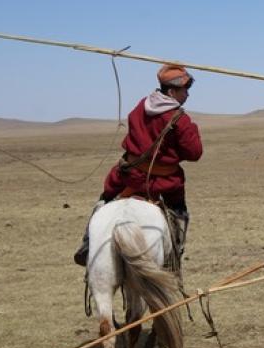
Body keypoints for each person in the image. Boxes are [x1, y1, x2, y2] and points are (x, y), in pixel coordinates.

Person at [73, 64, 204, 266]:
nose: (187, 94)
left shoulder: (141, 106)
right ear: (171, 92)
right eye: (184, 90)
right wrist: (190, 131)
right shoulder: (180, 119)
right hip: (164, 182)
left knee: (105, 200)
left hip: (129, 175)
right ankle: (175, 254)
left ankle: (87, 243)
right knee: (179, 213)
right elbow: (194, 153)